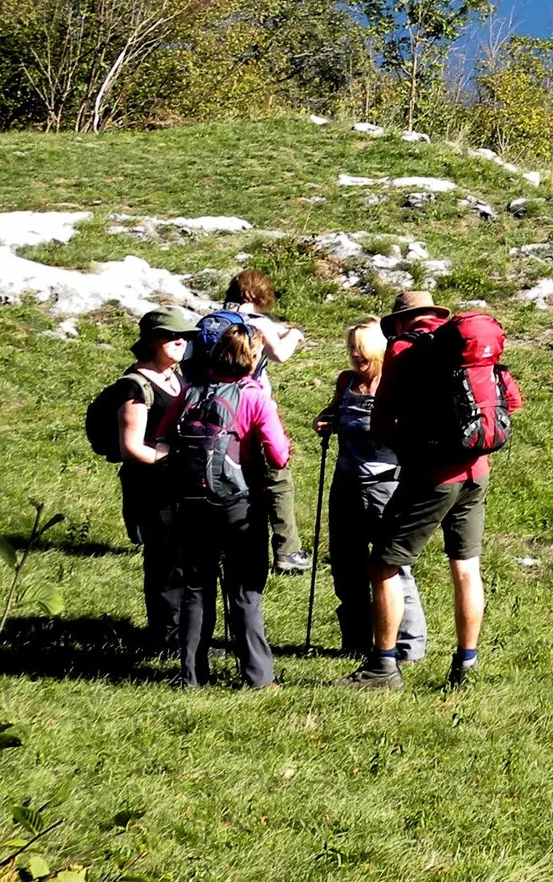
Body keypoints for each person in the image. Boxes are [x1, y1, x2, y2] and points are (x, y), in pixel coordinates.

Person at [348, 291, 520, 690]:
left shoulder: (405, 349)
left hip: (432, 475)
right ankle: (466, 665)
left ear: (400, 322)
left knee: (383, 564)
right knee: (465, 567)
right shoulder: (465, 347)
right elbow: (511, 400)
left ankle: (383, 666)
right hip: (477, 470)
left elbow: (382, 420)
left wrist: (409, 437)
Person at [161, 322, 288, 689]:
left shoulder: (191, 392)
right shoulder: (253, 397)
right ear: (252, 358)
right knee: (245, 589)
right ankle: (258, 677)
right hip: (238, 502)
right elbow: (279, 457)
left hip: (191, 501)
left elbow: (164, 434)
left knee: (197, 588)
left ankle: (192, 676)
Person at [313, 320, 426, 662]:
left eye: (361, 348)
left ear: (378, 349)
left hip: (386, 485)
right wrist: (325, 419)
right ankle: (356, 641)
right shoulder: (346, 382)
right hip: (345, 483)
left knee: (391, 565)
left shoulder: (396, 385)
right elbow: (333, 412)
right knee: (346, 565)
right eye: (350, 348)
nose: (355, 355)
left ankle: (408, 646)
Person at [114, 306, 196, 654]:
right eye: (172, 336)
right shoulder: (135, 386)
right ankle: (165, 640)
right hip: (151, 487)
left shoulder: (176, 378)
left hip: (179, 485)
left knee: (183, 560)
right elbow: (131, 446)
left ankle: (184, 636)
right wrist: (170, 460)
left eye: (185, 336)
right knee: (164, 563)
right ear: (151, 342)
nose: (181, 341)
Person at [222, 268, 310, 575]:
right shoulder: (257, 323)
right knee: (277, 477)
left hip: (217, 407)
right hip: (253, 407)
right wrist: (294, 335)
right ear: (254, 295)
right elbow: (279, 355)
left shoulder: (213, 319)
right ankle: (288, 550)